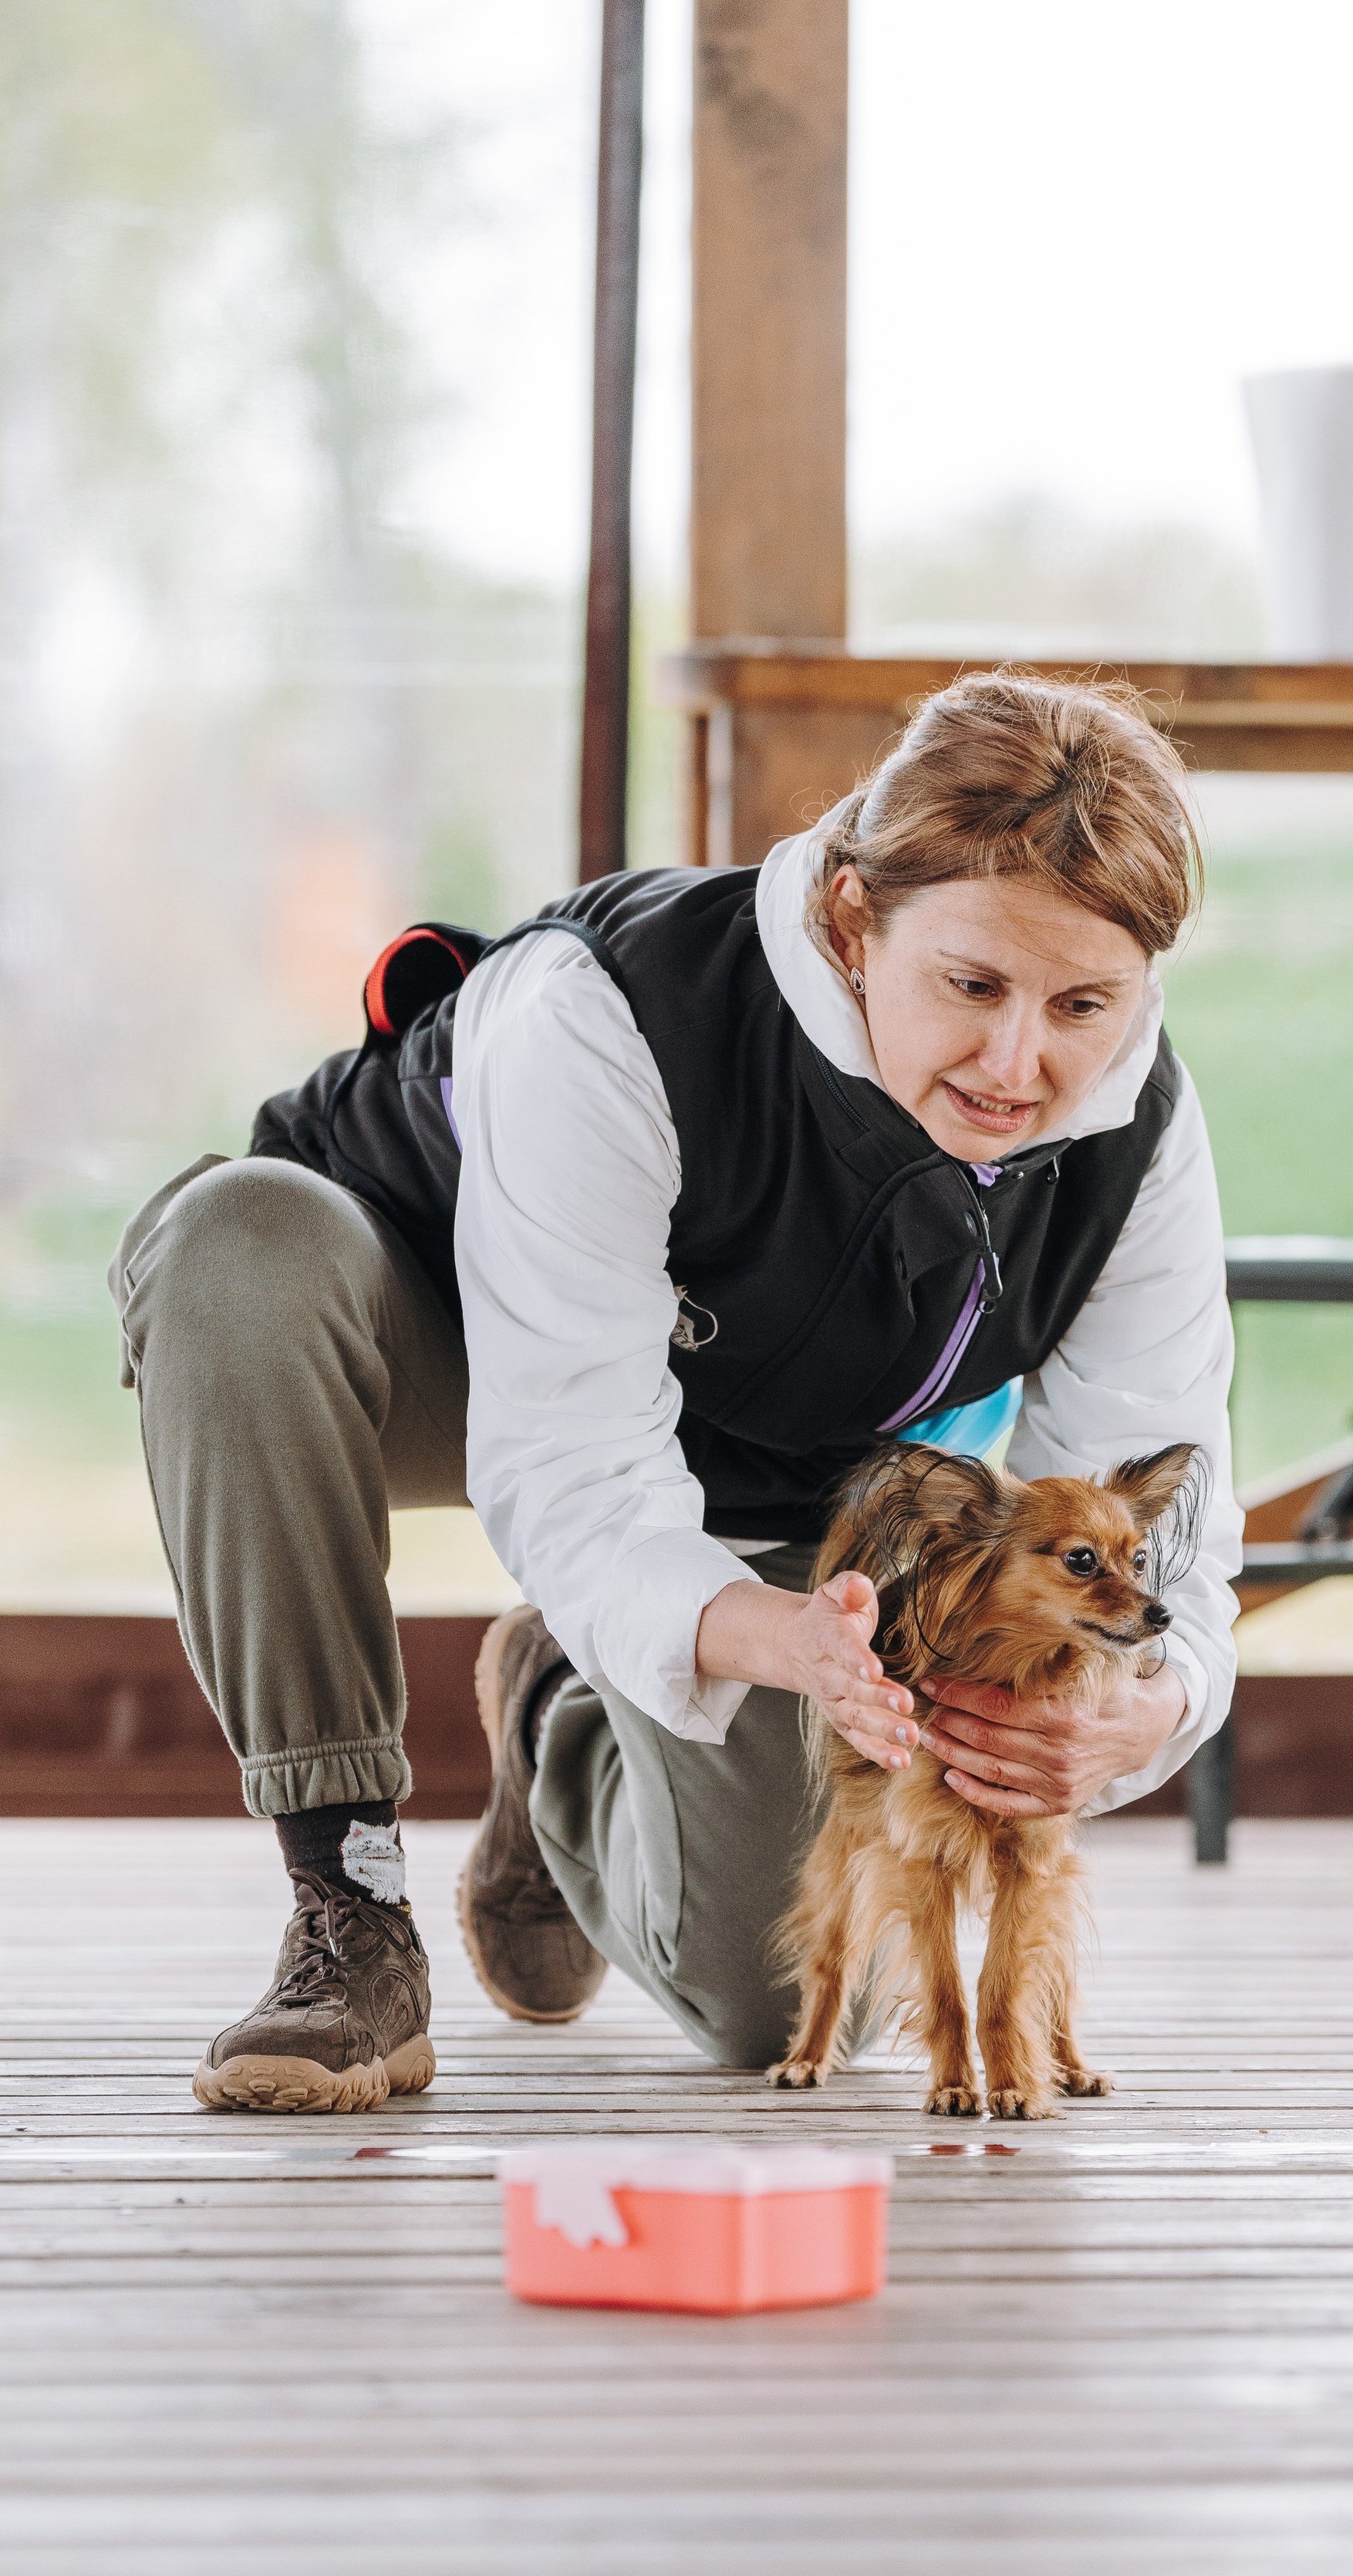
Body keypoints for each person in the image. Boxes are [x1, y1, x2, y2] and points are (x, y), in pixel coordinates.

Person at [110, 671, 1243, 2112]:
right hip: (441, 1345)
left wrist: (1156, 1701)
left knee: (787, 1982)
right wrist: (763, 1633)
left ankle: (557, 1715)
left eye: (1083, 1002)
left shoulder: (1136, 1124)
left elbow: (1164, 1487)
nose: (1021, 1063)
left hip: (777, 1453)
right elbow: (573, 1454)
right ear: (852, 916)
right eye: (971, 986)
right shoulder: (607, 1012)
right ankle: (351, 1907)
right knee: (234, 1248)